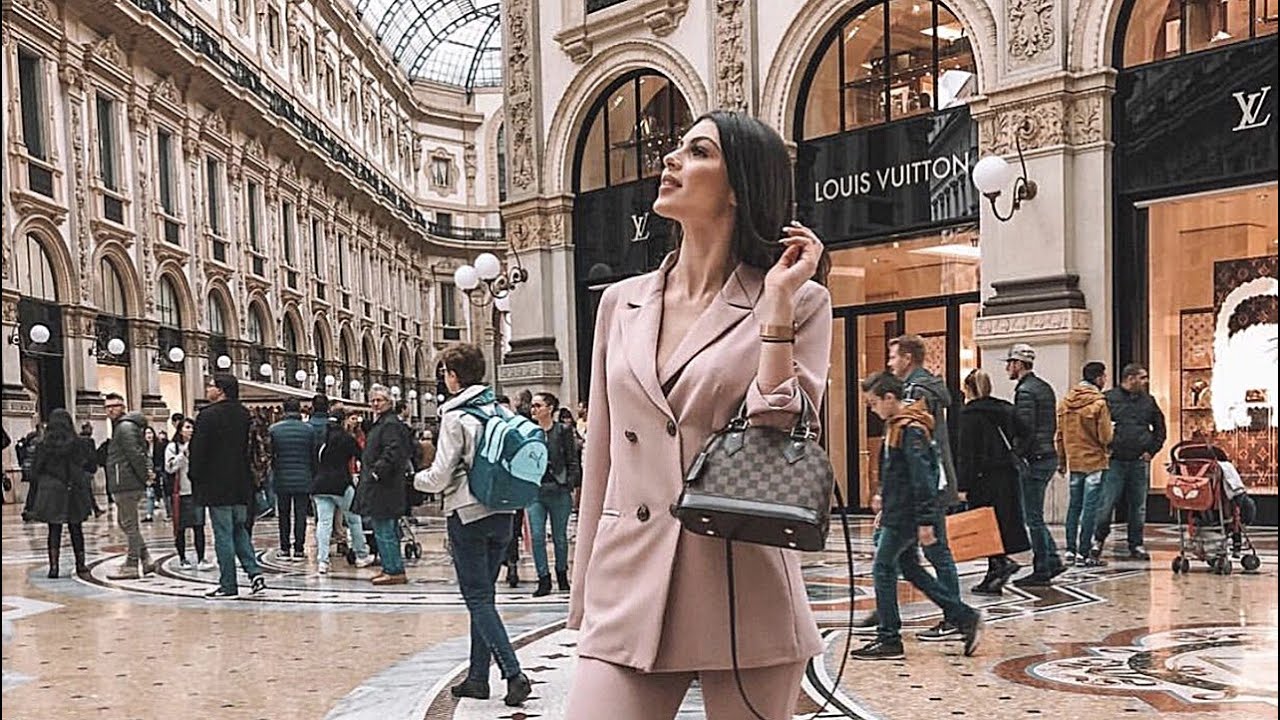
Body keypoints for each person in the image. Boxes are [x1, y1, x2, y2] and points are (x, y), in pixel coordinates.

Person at [566, 111, 831, 719]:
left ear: (739, 185)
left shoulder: (800, 301)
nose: (672, 160)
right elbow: (601, 453)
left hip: (743, 580)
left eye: (698, 151)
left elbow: (784, 430)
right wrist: (584, 588)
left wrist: (777, 311)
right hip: (630, 578)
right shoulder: (619, 303)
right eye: (677, 149)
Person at [414, 343, 531, 707]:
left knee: (478, 598)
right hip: (504, 512)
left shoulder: (455, 417)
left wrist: (413, 480)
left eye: (445, 372)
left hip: (468, 514)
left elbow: (440, 474)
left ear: (453, 374)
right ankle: (478, 678)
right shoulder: (498, 408)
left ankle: (513, 673)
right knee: (485, 598)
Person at [852, 372, 982, 660]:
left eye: (873, 403)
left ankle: (889, 638)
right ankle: (962, 616)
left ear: (889, 397)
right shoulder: (898, 426)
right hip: (900, 510)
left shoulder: (910, 428)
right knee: (910, 569)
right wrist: (882, 497)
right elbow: (897, 472)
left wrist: (925, 520)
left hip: (906, 515)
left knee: (883, 568)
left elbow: (922, 476)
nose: (872, 410)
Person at [885, 334, 964, 642]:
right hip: (923, 485)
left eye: (893, 357)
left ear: (907, 358)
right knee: (898, 556)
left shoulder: (916, 392)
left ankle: (956, 615)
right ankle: (885, 609)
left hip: (927, 484)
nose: (890, 363)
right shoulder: (920, 387)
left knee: (935, 551)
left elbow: (918, 444)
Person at [190, 374, 265, 599]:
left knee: (223, 535)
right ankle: (255, 574)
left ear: (221, 390)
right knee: (240, 531)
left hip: (217, 486)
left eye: (210, 386)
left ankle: (228, 585)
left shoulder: (207, 416)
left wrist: (196, 478)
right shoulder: (246, 415)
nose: (207, 389)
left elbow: (198, 452)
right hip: (243, 485)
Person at [957, 369, 1030, 595]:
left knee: (986, 525)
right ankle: (996, 567)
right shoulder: (1005, 409)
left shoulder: (969, 415)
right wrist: (1015, 452)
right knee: (1002, 522)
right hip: (1006, 474)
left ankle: (999, 565)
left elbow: (966, 454)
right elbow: (1027, 432)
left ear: (968, 389)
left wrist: (962, 486)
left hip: (983, 478)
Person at [1004, 343, 1065, 586]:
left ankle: (1042, 567)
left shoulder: (1026, 391)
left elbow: (1025, 429)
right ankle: (1052, 559)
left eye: (1010, 363)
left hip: (1035, 459)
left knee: (1033, 518)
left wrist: (1016, 453)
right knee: (1035, 515)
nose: (1008, 368)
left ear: (1018, 364)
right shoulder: (1044, 387)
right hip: (1047, 455)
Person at [1094, 363, 1166, 561]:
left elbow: (1160, 427)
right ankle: (1098, 540)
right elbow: (1096, 425)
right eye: (1142, 377)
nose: (1146, 381)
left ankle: (1136, 544)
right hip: (1114, 460)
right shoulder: (1108, 398)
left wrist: (1151, 451)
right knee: (1106, 502)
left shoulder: (1148, 401)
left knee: (1138, 505)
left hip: (1138, 460)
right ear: (1130, 378)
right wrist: (1103, 449)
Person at [1055, 361, 1114, 567]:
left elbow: (1059, 435)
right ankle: (1084, 552)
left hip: (1075, 461)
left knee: (1074, 506)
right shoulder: (1099, 403)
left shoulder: (1065, 402)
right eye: (1104, 376)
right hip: (1095, 461)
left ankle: (1070, 550)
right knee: (1090, 508)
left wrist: (1062, 460)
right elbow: (1105, 436)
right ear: (1098, 378)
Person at [353, 384, 411, 585]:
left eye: (380, 400)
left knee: (385, 529)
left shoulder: (390, 424)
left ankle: (394, 570)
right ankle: (389, 567)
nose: (376, 404)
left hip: (384, 487)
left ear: (389, 402)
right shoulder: (383, 423)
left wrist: (377, 472)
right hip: (382, 486)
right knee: (383, 528)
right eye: (373, 400)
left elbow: (392, 451)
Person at [528, 392, 582, 597]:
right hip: (535, 491)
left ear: (550, 408)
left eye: (538, 405)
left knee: (560, 537)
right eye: (533, 406)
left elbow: (572, 459)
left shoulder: (563, 431)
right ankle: (543, 578)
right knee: (537, 536)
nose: (534, 409)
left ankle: (561, 574)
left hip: (558, 489)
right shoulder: (529, 432)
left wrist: (570, 483)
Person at [30, 409, 94, 578]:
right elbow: (90, 466)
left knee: (54, 529)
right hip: (74, 488)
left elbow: (35, 471)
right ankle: (80, 565)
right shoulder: (79, 443)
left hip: (52, 490)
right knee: (76, 528)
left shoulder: (42, 445)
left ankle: (54, 567)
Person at [313, 409, 376, 574]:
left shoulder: (321, 437)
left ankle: (322, 561)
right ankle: (361, 555)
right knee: (354, 519)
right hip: (341, 484)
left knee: (324, 523)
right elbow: (362, 456)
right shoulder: (346, 439)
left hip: (320, 485)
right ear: (343, 421)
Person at [103, 393, 156, 579]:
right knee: (126, 523)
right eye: (107, 406)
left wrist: (144, 477)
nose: (110, 409)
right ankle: (147, 559)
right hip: (125, 480)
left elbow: (135, 454)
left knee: (129, 525)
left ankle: (132, 564)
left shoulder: (124, 427)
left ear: (122, 406)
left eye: (114, 405)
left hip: (125, 481)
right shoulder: (123, 426)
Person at [269, 398, 316, 562]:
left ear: (284, 410)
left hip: (282, 477)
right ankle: (299, 548)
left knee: (283, 514)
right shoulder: (309, 430)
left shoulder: (274, 429)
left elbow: (271, 454)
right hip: (304, 477)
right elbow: (313, 456)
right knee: (300, 514)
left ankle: (284, 547)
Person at [166, 418, 214, 570]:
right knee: (181, 527)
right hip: (180, 492)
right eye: (187, 427)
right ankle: (182, 558)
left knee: (199, 526)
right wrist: (183, 454)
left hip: (197, 491)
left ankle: (201, 558)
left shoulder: (200, 446)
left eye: (192, 427)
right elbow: (170, 467)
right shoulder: (172, 447)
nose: (190, 430)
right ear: (180, 430)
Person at [17, 421, 44, 521]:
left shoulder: (29, 438)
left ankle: (29, 509)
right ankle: (32, 510)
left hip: (27, 468)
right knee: (36, 489)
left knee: (33, 489)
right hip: (35, 469)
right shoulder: (38, 441)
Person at [79, 422, 105, 518]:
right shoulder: (89, 441)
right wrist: (93, 467)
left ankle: (95, 509)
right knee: (87, 491)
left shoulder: (77, 439)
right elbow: (92, 456)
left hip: (80, 469)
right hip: (86, 469)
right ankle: (93, 510)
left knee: (87, 491)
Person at [142, 426, 160, 522]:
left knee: (160, 493)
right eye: (146, 433)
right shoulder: (142, 448)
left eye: (150, 433)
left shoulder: (158, 446)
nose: (149, 435)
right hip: (148, 473)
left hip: (158, 472)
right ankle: (149, 514)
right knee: (150, 494)